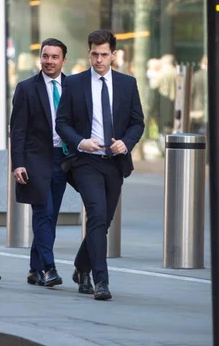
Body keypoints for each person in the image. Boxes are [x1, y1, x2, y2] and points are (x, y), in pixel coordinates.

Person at [56, 29, 144, 300]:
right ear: (89, 52)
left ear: (113, 55)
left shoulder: (128, 84)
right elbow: (62, 123)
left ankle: (81, 267)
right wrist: (81, 142)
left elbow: (137, 122)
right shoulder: (74, 83)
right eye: (94, 53)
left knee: (103, 221)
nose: (99, 59)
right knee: (95, 214)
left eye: (104, 54)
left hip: (114, 162)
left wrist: (126, 143)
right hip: (85, 162)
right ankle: (101, 280)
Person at [10, 38, 69, 287]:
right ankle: (49, 268)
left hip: (63, 159)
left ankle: (34, 269)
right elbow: (18, 130)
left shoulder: (73, 86)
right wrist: (18, 163)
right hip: (35, 160)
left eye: (55, 57)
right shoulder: (26, 88)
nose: (49, 61)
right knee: (42, 212)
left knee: (51, 216)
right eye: (45, 56)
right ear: (40, 58)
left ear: (63, 60)